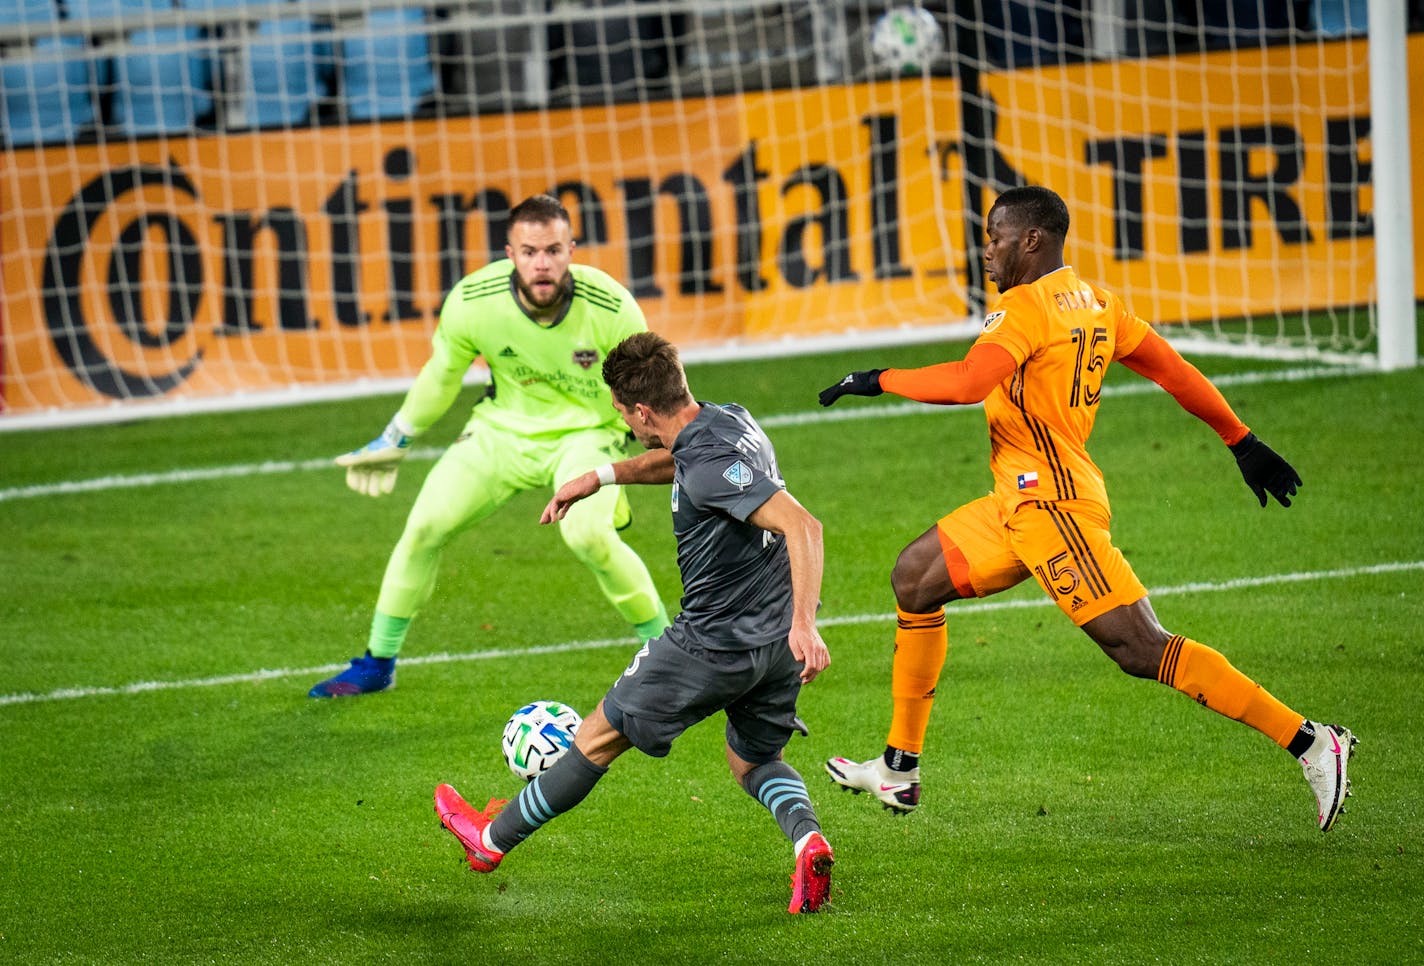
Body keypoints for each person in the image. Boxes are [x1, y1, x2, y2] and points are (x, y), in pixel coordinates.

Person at [817, 185, 1356, 833]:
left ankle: (1310, 741)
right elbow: (1175, 372)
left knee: (1139, 648)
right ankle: (899, 769)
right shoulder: (1100, 303)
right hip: (1017, 503)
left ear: (1032, 240)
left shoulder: (1021, 311)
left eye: (995, 237)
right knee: (914, 578)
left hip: (1053, 508)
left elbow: (967, 384)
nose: (986, 251)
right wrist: (1241, 440)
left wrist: (874, 379)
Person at [433, 331, 836, 913]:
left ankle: (490, 840)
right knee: (753, 760)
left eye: (624, 413)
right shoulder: (729, 421)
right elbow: (678, 460)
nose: (626, 423)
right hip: (772, 647)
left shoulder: (706, 467)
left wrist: (806, 624)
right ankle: (808, 839)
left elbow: (804, 526)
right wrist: (598, 477)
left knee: (595, 737)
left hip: (712, 645)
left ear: (643, 409)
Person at [309, 194, 670, 697]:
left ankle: (669, 654)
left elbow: (656, 385)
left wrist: (676, 444)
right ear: (509, 253)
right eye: (528, 251)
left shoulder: (611, 306)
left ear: (572, 250)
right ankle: (377, 663)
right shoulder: (473, 301)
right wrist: (397, 437)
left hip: (586, 436)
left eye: (552, 250)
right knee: (424, 526)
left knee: (588, 536)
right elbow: (441, 376)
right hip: (500, 432)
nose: (541, 263)